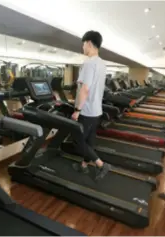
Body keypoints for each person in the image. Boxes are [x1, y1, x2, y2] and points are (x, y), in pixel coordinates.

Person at [71, 30, 111, 180]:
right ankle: (83, 166)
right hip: (96, 111)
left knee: (78, 142)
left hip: (86, 111)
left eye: (83, 45)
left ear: (88, 43)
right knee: (89, 141)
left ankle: (101, 164)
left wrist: (77, 110)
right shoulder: (102, 64)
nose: (82, 48)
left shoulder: (89, 63)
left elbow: (85, 89)